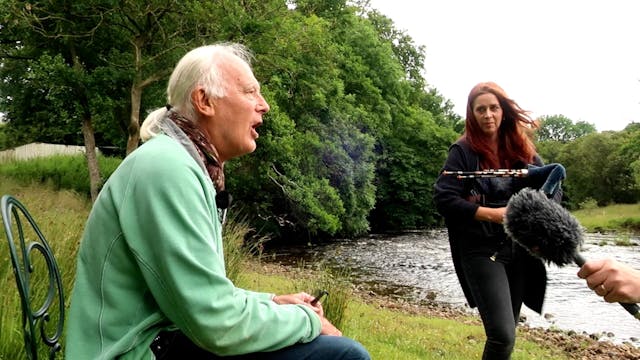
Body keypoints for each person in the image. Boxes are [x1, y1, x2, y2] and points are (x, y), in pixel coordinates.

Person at [65, 43, 370, 360]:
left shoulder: (181, 163)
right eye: (250, 92)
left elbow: (200, 294)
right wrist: (308, 320)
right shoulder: (166, 169)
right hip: (135, 351)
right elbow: (215, 321)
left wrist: (272, 301)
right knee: (343, 355)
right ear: (204, 101)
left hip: (161, 340)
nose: (263, 105)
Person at [433, 82, 549, 359]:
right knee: (502, 335)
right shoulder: (462, 152)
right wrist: (494, 215)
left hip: (519, 250)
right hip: (480, 250)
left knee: (509, 333)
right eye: (480, 109)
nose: (488, 115)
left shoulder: (522, 149)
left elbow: (549, 190)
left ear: (503, 111)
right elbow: (444, 198)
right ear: (471, 114)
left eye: (493, 108)